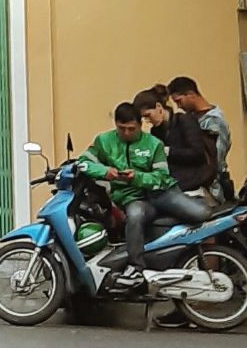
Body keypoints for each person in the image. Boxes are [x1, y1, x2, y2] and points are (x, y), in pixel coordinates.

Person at [78, 101, 206, 286]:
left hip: (163, 194)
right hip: (133, 199)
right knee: (134, 215)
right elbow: (83, 163)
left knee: (202, 214)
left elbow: (161, 177)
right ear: (116, 125)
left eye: (132, 128)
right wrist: (105, 171)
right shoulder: (103, 141)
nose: (127, 133)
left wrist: (136, 177)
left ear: (140, 124)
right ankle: (136, 267)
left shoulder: (154, 144)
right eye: (122, 129)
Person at [135, 87, 215, 194]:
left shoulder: (184, 120)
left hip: (194, 180)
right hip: (174, 182)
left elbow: (197, 153)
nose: (147, 121)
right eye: (144, 118)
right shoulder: (155, 131)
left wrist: (168, 152)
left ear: (159, 107)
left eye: (148, 116)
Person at [168, 77, 234, 200]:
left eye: (179, 101)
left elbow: (216, 159)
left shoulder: (214, 122)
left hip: (212, 187)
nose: (179, 106)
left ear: (191, 94)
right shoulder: (189, 119)